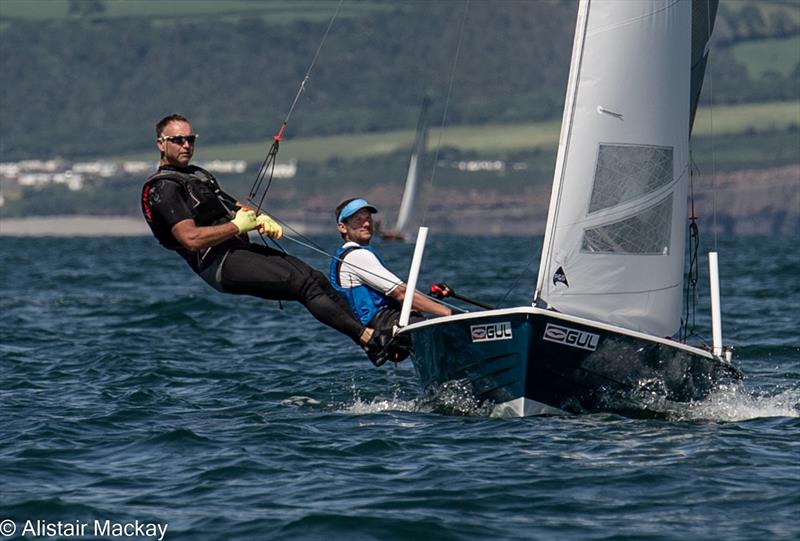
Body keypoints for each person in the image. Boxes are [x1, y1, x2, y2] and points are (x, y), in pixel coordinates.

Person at [140, 114, 391, 364]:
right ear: (161, 144)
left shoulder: (196, 175)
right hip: (218, 264)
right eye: (178, 140)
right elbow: (191, 239)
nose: (186, 145)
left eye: (190, 139)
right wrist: (235, 226)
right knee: (303, 283)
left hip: (237, 251)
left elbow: (230, 204)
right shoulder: (164, 189)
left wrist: (257, 218)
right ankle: (370, 340)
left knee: (315, 278)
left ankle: (374, 331)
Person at [329, 198, 452, 361]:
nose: (366, 224)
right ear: (342, 227)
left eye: (368, 219)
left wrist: (430, 297)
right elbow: (401, 293)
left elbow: (398, 296)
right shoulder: (356, 256)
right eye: (358, 220)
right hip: (383, 324)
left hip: (384, 323)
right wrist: (448, 313)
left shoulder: (351, 254)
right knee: (450, 330)